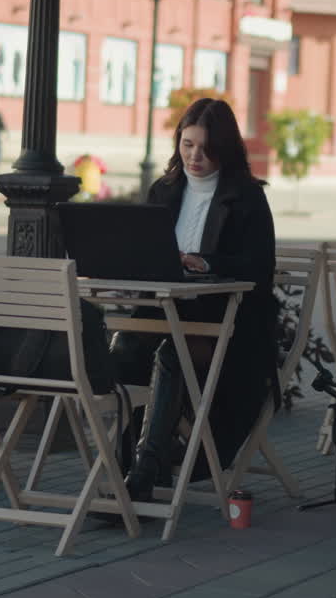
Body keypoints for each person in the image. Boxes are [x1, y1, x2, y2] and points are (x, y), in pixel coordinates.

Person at [111, 97, 278, 503]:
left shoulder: (247, 198)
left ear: (225, 148)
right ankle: (128, 465)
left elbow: (259, 267)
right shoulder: (164, 190)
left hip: (228, 331)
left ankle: (144, 470)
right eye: (187, 145)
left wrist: (204, 263)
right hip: (161, 316)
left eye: (205, 147)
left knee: (174, 352)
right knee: (111, 358)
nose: (194, 156)